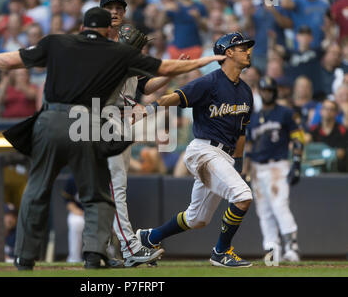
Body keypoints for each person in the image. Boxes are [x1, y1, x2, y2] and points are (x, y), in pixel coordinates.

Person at [0, 7, 225, 270]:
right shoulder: (118, 54)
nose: (141, 48)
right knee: (101, 192)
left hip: (56, 119)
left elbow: (14, 60)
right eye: (137, 44)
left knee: (39, 188)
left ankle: (28, 257)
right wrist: (204, 60)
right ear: (108, 31)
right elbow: (161, 67)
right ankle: (109, 251)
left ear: (82, 27)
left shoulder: (59, 42)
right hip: (96, 122)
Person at [136, 32, 255, 267]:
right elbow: (176, 97)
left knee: (197, 218)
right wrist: (147, 110)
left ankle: (149, 238)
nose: (248, 51)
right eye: (242, 48)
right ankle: (221, 252)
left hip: (224, 156)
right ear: (228, 53)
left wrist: (238, 165)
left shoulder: (246, 91)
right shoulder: (210, 81)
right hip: (203, 150)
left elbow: (241, 133)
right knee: (243, 196)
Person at [100, 0, 188, 267]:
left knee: (105, 191)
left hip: (120, 120)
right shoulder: (95, 45)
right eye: (109, 7)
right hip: (101, 119)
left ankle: (99, 251)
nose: (115, 11)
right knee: (116, 189)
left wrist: (170, 73)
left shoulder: (127, 47)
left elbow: (143, 86)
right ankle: (130, 248)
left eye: (119, 7)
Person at [244, 76, 305, 262]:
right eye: (263, 91)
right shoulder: (253, 118)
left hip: (278, 165)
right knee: (264, 210)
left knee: (279, 204)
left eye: (269, 90)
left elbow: (298, 137)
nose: (266, 94)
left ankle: (291, 245)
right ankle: (272, 248)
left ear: (274, 92)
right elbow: (249, 147)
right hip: (257, 167)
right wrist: (245, 172)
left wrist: (296, 162)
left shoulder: (285, 113)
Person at [307, 99, 348, 172]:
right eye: (325, 108)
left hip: (337, 169)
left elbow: (341, 154)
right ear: (321, 111)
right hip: (316, 168)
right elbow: (307, 148)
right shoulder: (313, 130)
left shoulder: (342, 130)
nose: (328, 111)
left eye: (331, 109)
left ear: (336, 113)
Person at [61, 176, 85, 263]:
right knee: (76, 222)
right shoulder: (73, 178)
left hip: (96, 212)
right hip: (79, 212)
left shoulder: (97, 176)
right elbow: (67, 200)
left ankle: (105, 257)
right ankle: (74, 258)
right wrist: (76, 211)